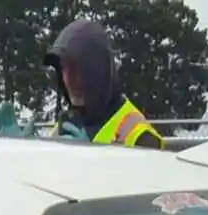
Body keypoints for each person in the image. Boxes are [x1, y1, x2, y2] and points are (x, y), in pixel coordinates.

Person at [44, 19, 164, 149]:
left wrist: (90, 160)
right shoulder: (63, 129)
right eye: (64, 68)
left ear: (99, 69)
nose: (69, 79)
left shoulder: (141, 137)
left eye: (77, 68)